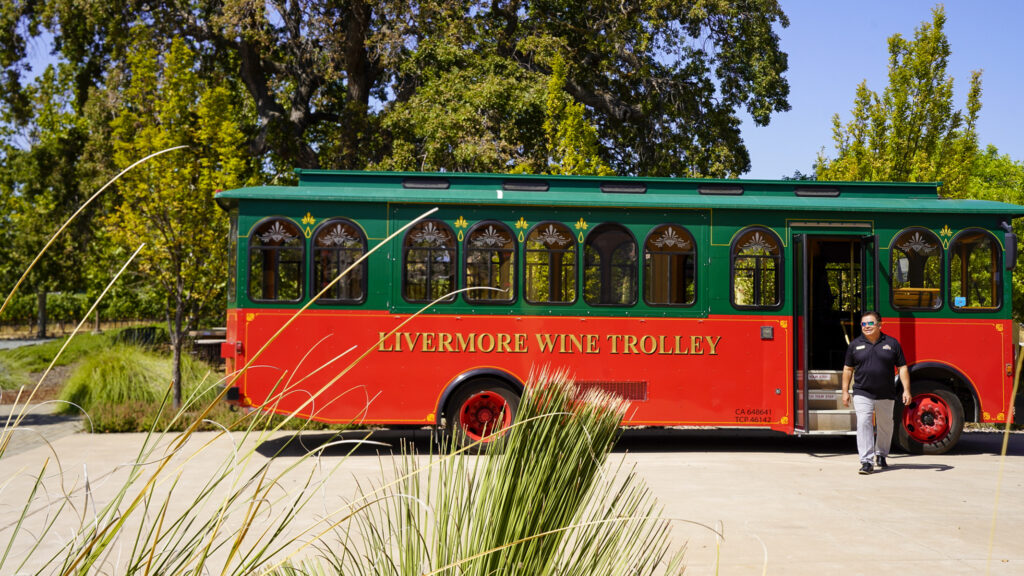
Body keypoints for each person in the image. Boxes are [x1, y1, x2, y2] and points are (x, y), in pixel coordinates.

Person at [841, 311, 912, 474]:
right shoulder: (855, 345)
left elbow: (902, 368)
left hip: (886, 393)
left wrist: (907, 390)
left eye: (870, 323)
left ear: (880, 325)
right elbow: (847, 369)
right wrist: (845, 391)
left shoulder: (892, 344)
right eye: (863, 324)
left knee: (886, 425)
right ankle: (866, 461)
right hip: (862, 392)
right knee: (864, 422)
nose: (866, 327)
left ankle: (881, 454)